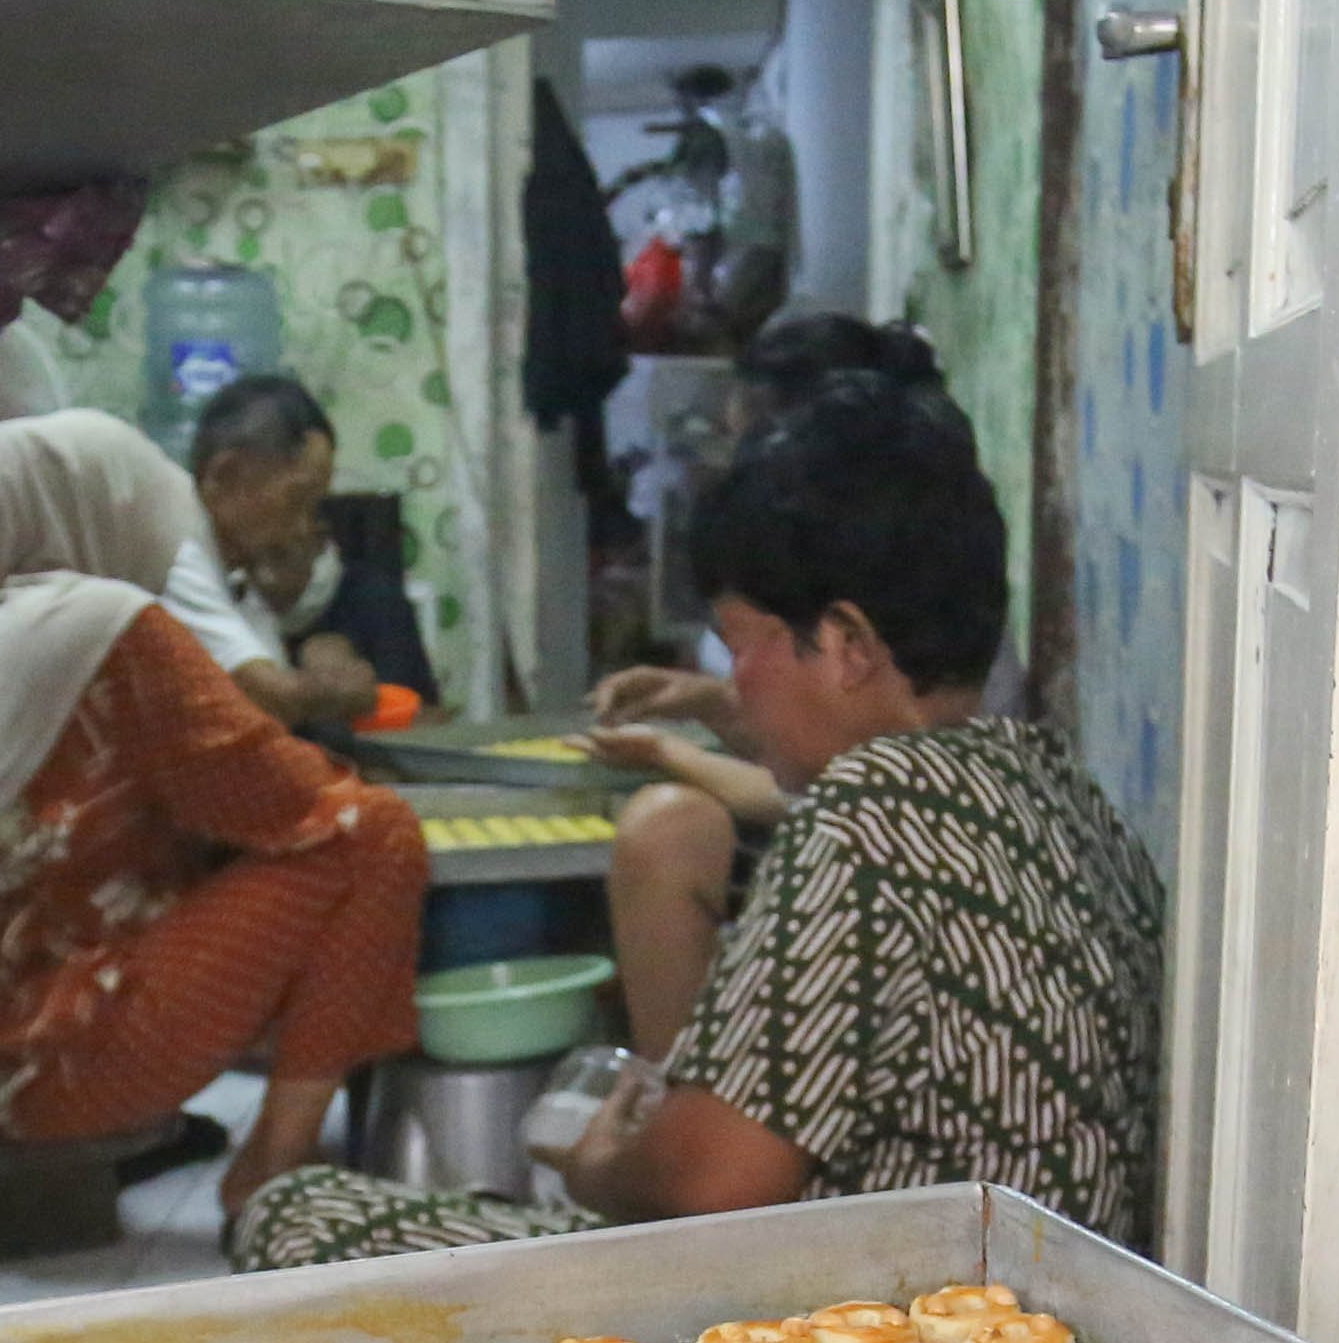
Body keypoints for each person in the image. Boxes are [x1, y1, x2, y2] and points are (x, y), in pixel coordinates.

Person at [237, 375, 1159, 1264]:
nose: (737, 683)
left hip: (879, 1325)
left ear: (843, 646)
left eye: (743, 643)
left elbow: (711, 1185)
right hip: (1035, 1306)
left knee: (297, 1212)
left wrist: (598, 1164)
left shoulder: (866, 815)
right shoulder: (1057, 788)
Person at [0, 417, 427, 1220]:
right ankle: (273, 1169)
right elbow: (288, 796)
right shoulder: (108, 626)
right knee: (375, 835)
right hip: (50, 1059)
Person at [576, 314, 962, 1049]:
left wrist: (670, 754)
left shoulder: (887, 600)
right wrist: (712, 702)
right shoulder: (855, 567)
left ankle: (669, 1102)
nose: (735, 464)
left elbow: (840, 795)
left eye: (751, 443)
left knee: (666, 831)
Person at [145, 375, 391, 731]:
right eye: (296, 501)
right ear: (224, 474)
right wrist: (344, 684)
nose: (305, 528)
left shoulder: (235, 567)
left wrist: (321, 649)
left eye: (314, 507)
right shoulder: (174, 551)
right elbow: (275, 698)